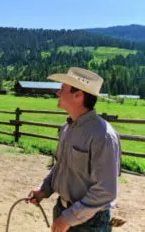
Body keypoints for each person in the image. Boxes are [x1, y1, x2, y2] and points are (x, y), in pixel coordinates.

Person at [27, 67, 121, 232]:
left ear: (78, 95)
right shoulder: (67, 127)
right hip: (64, 211)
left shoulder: (103, 136)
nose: (58, 92)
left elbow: (105, 191)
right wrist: (44, 189)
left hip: (89, 222)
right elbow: (62, 165)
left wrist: (69, 218)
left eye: (63, 88)